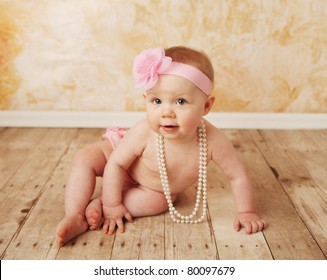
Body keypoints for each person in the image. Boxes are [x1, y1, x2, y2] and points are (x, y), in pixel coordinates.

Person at [56, 46, 267, 247]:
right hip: (119, 159)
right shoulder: (143, 131)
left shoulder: (212, 140)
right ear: (146, 99)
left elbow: (237, 175)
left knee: (158, 203)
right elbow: (116, 164)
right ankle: (75, 215)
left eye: (181, 102)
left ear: (206, 106)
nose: (166, 112)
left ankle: (99, 206)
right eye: (157, 101)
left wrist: (246, 211)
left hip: (155, 188)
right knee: (86, 157)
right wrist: (114, 205)